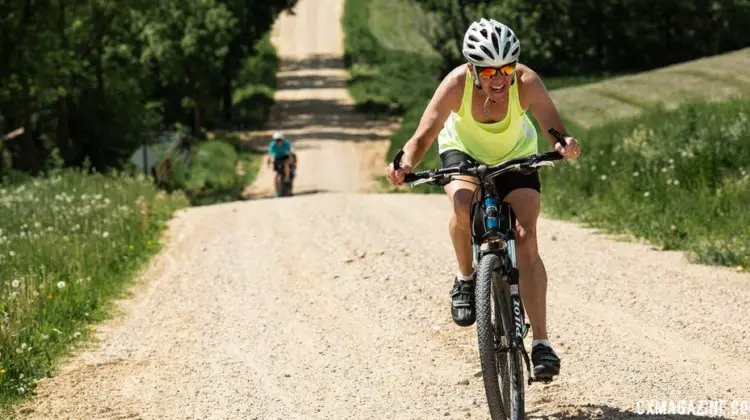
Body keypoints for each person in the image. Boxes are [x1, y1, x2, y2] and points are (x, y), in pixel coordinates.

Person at [386, 18, 581, 380]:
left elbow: (555, 129)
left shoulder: (526, 83)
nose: (499, 78)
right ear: (473, 69)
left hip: (515, 156)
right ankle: (465, 277)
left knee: (525, 235)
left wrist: (564, 146)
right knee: (463, 210)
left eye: (506, 69)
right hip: (463, 153)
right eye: (489, 71)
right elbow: (423, 135)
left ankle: (542, 343)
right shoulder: (456, 84)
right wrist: (404, 164)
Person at [267, 131, 293, 195]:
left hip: (285, 157)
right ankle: (276, 192)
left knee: (286, 164)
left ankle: (287, 177)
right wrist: (269, 161)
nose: (278, 142)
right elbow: (270, 155)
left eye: (280, 140)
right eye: (276, 140)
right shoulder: (272, 145)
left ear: (283, 140)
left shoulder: (287, 144)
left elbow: (290, 153)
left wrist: (291, 159)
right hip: (277, 158)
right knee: (275, 176)